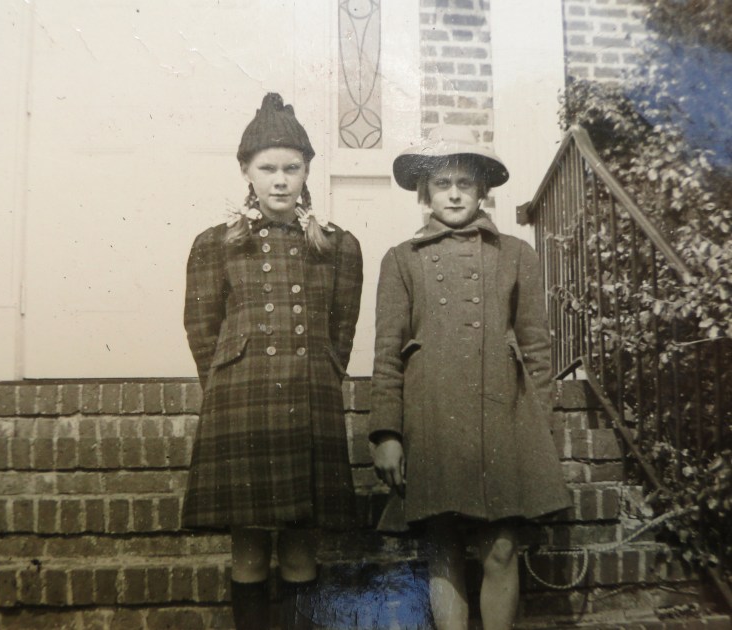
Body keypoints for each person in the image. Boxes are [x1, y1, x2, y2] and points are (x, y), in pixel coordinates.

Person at [370, 126, 571, 630]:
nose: (454, 193)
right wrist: (387, 433)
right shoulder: (401, 259)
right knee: (443, 553)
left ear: (484, 190)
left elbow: (538, 349)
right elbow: (387, 355)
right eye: (442, 183)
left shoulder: (515, 253)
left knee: (500, 550)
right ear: (425, 193)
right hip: (431, 420)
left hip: (503, 420)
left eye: (465, 182)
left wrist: (539, 427)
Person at [183, 93, 363, 630]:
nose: (281, 180)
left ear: (307, 171)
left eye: (292, 168)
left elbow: (341, 330)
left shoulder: (337, 245)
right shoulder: (215, 244)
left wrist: (320, 374)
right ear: (247, 172)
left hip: (309, 401)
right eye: (268, 169)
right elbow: (202, 330)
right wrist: (225, 384)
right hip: (242, 402)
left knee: (302, 546)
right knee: (249, 550)